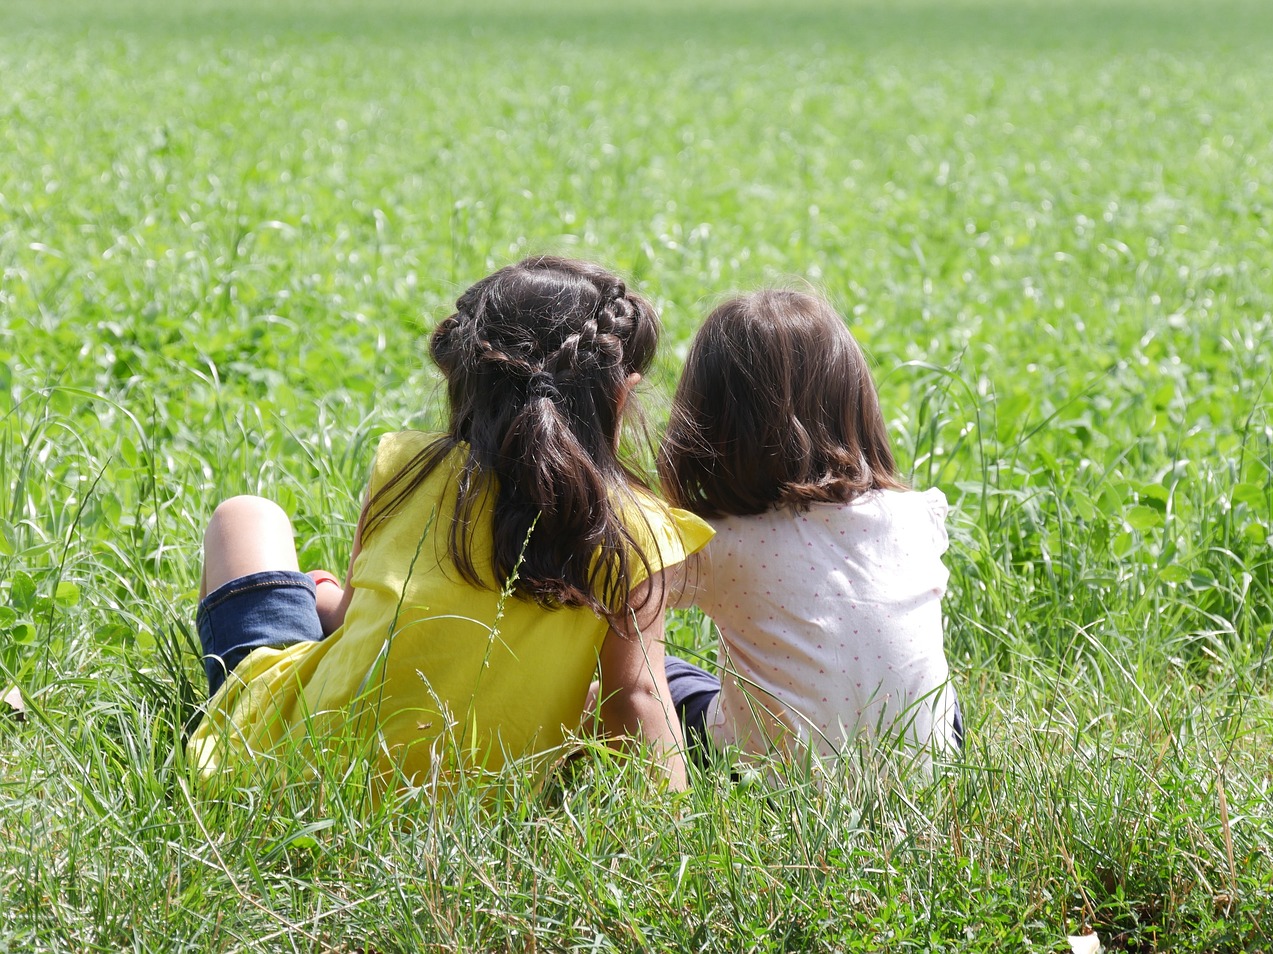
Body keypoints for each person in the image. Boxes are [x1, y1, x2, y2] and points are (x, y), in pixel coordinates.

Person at [188, 256, 713, 795]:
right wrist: (667, 835)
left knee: (246, 516)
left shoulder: (405, 467)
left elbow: (347, 621)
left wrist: (321, 594)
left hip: (284, 772)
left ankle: (229, 710)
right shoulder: (636, 531)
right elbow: (638, 698)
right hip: (479, 806)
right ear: (622, 396)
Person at [656, 289, 961, 774]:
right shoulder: (913, 515)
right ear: (855, 403)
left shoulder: (718, 544)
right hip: (931, 768)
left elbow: (624, 587)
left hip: (774, 782)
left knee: (666, 676)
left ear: (711, 428)